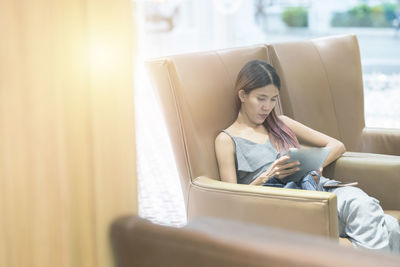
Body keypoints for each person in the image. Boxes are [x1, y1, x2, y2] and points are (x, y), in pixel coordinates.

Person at [214, 60, 400, 254]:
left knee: (364, 204)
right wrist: (266, 176)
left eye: (273, 99)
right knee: (389, 227)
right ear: (243, 95)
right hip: (292, 203)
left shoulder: (281, 123)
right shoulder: (226, 140)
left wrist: (317, 162)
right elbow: (231, 201)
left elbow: (337, 145)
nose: (267, 107)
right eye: (261, 98)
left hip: (319, 186)